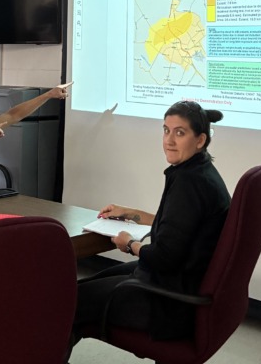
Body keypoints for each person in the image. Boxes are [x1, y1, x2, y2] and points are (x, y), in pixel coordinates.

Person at [70, 100, 230, 350]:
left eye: (180, 133)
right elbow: (179, 224)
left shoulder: (189, 183)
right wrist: (131, 213)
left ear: (200, 140)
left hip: (167, 303)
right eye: (166, 130)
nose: (169, 140)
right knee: (77, 290)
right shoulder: (199, 172)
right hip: (174, 283)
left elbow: (164, 257)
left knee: (67, 304)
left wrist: (129, 244)